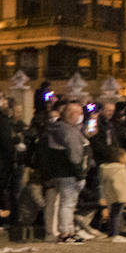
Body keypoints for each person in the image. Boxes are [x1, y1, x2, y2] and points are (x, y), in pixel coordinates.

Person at [42, 102, 90, 244]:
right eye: (79, 113)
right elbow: (75, 154)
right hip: (68, 172)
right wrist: (80, 173)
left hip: (58, 171)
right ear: (72, 114)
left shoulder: (56, 128)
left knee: (64, 203)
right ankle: (66, 232)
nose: (80, 116)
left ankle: (67, 231)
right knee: (68, 203)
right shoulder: (68, 130)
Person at [99, 148, 126, 242]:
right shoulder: (120, 169)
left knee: (113, 214)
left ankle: (112, 232)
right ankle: (116, 234)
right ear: (120, 158)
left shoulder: (105, 168)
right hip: (119, 196)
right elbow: (124, 184)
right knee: (117, 214)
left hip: (110, 195)